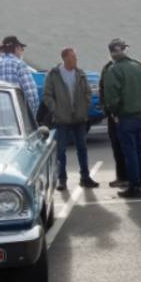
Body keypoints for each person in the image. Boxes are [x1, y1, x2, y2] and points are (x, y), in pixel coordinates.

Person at [100, 38, 141, 199]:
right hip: (140, 115)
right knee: (140, 151)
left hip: (125, 117)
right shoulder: (139, 66)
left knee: (130, 153)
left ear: (112, 53)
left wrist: (114, 113)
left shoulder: (114, 70)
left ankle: (135, 186)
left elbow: (111, 97)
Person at [43, 47, 98, 191]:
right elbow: (47, 95)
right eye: (73, 57)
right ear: (65, 58)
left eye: (75, 57)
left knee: (82, 148)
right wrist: (56, 110)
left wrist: (84, 107)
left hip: (79, 118)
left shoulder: (80, 73)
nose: (76, 59)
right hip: (62, 120)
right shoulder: (54, 75)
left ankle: (85, 177)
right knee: (61, 151)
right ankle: (62, 180)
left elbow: (87, 92)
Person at [0, 34, 39, 119]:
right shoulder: (19, 64)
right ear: (16, 49)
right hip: (16, 116)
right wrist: (31, 118)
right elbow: (31, 94)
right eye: (21, 49)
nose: (22, 51)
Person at [98, 58, 128, 189]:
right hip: (116, 115)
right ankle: (122, 177)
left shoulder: (124, 67)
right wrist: (106, 109)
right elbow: (103, 89)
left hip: (122, 114)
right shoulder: (108, 68)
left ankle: (128, 178)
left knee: (126, 148)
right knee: (118, 148)